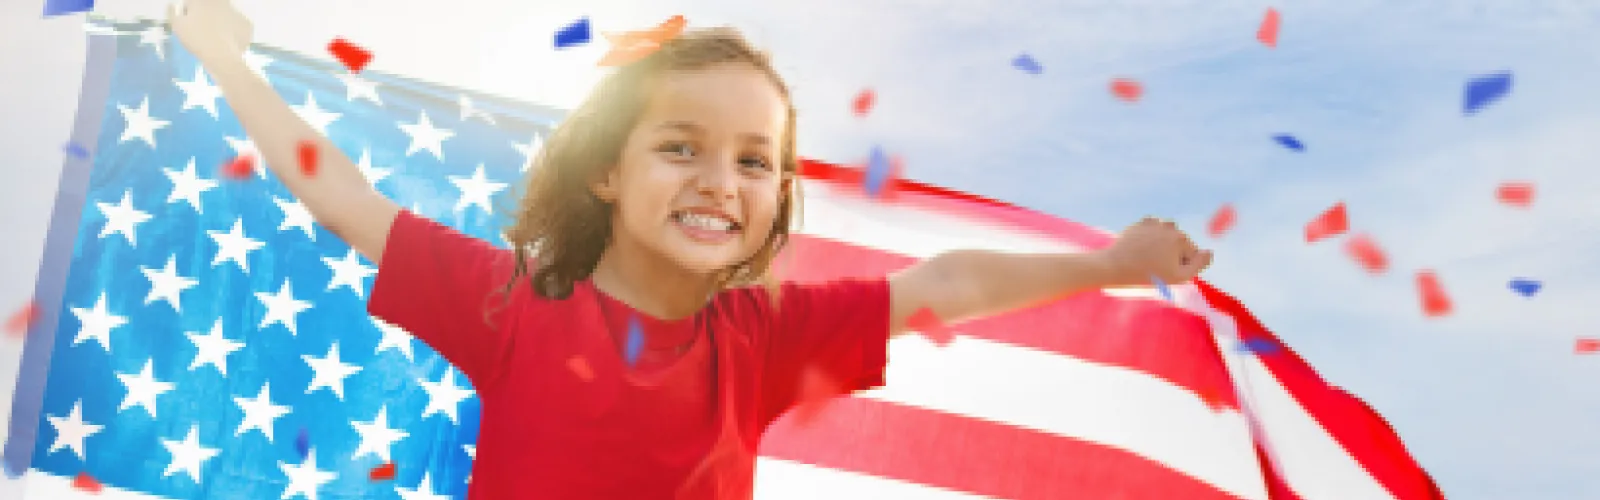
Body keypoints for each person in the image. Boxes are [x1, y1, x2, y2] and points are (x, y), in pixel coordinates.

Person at [168, 0, 1214, 498]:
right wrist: (223, 58)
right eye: (683, 146)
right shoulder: (511, 301)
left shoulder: (762, 336)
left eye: (756, 161)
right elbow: (344, 194)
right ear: (607, 172)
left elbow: (945, 282)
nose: (722, 179)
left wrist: (1111, 264)